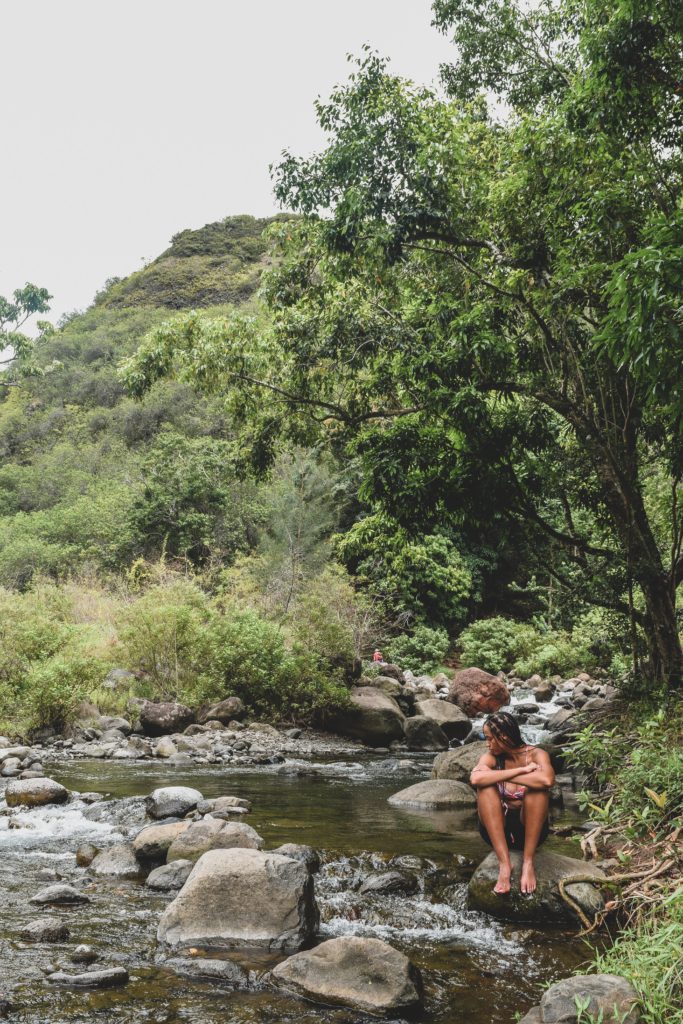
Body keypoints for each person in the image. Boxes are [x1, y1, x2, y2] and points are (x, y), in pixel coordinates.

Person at [470, 711, 555, 895]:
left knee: (537, 790)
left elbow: (547, 780)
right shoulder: (491, 757)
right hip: (497, 831)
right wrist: (523, 771)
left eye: (490, 739)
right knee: (485, 788)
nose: (487, 744)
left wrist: (493, 775)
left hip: (530, 833)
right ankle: (504, 864)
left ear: (504, 737)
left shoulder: (537, 754)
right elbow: (476, 780)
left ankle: (528, 863)